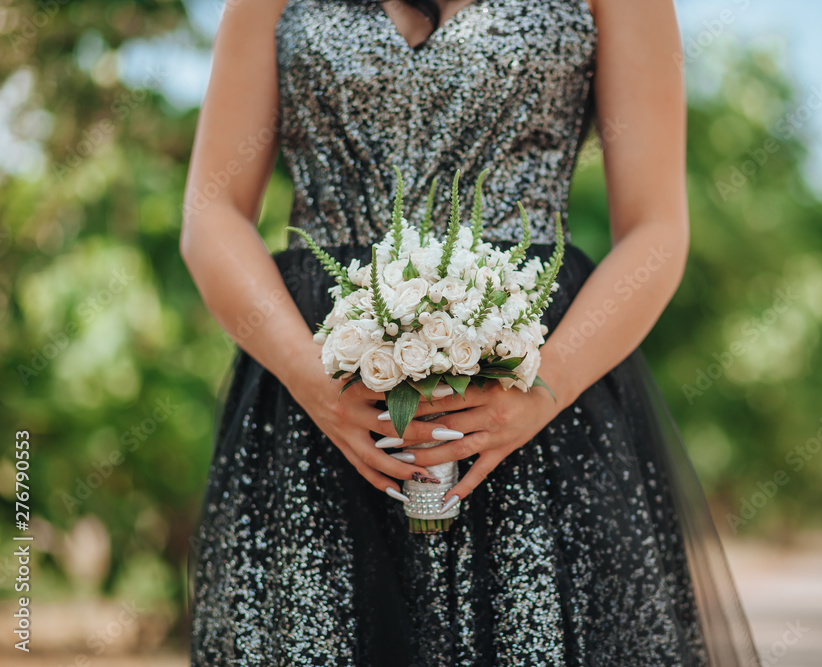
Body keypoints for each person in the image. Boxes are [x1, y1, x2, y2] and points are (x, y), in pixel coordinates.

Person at [180, 0, 762, 664]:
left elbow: (656, 229)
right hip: (318, 406)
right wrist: (311, 374)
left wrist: (543, 389)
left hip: (541, 407)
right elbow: (212, 212)